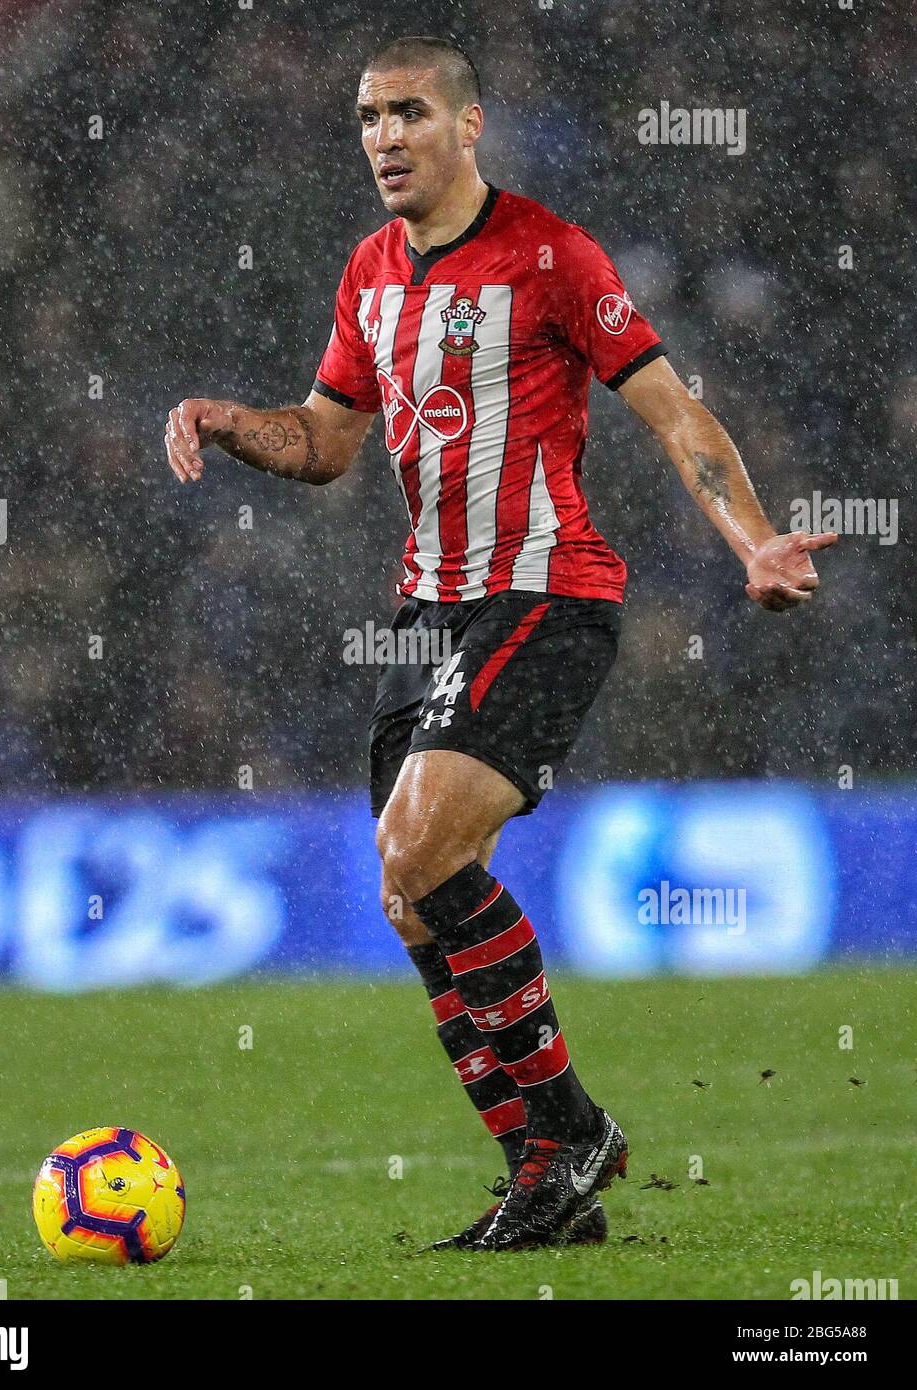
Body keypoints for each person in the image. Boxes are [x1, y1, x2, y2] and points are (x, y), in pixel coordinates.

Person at [164, 34, 836, 1251]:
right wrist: (227, 422)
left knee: (418, 847)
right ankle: (541, 1175)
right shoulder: (368, 274)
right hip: (435, 615)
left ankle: (575, 1131)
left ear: (468, 127)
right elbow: (322, 442)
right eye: (367, 116)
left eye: (409, 113)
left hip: (546, 594)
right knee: (409, 897)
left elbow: (672, 411)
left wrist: (749, 542)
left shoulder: (552, 256)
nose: (383, 137)